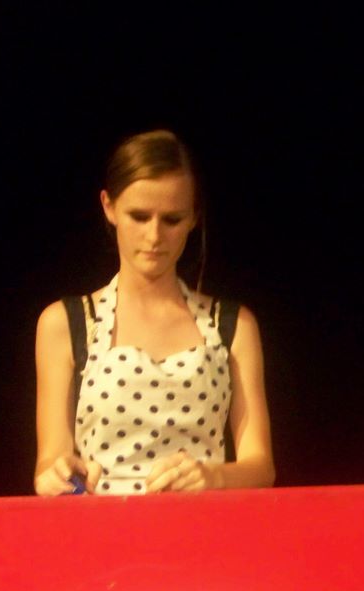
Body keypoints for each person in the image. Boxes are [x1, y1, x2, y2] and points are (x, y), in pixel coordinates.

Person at [34, 130, 275, 496]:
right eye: (139, 216)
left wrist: (213, 477)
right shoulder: (67, 323)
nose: (154, 235)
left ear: (193, 218)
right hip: (104, 526)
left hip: (203, 523)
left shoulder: (230, 325)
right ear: (109, 207)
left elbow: (261, 466)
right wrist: (57, 475)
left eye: (172, 219)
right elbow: (50, 460)